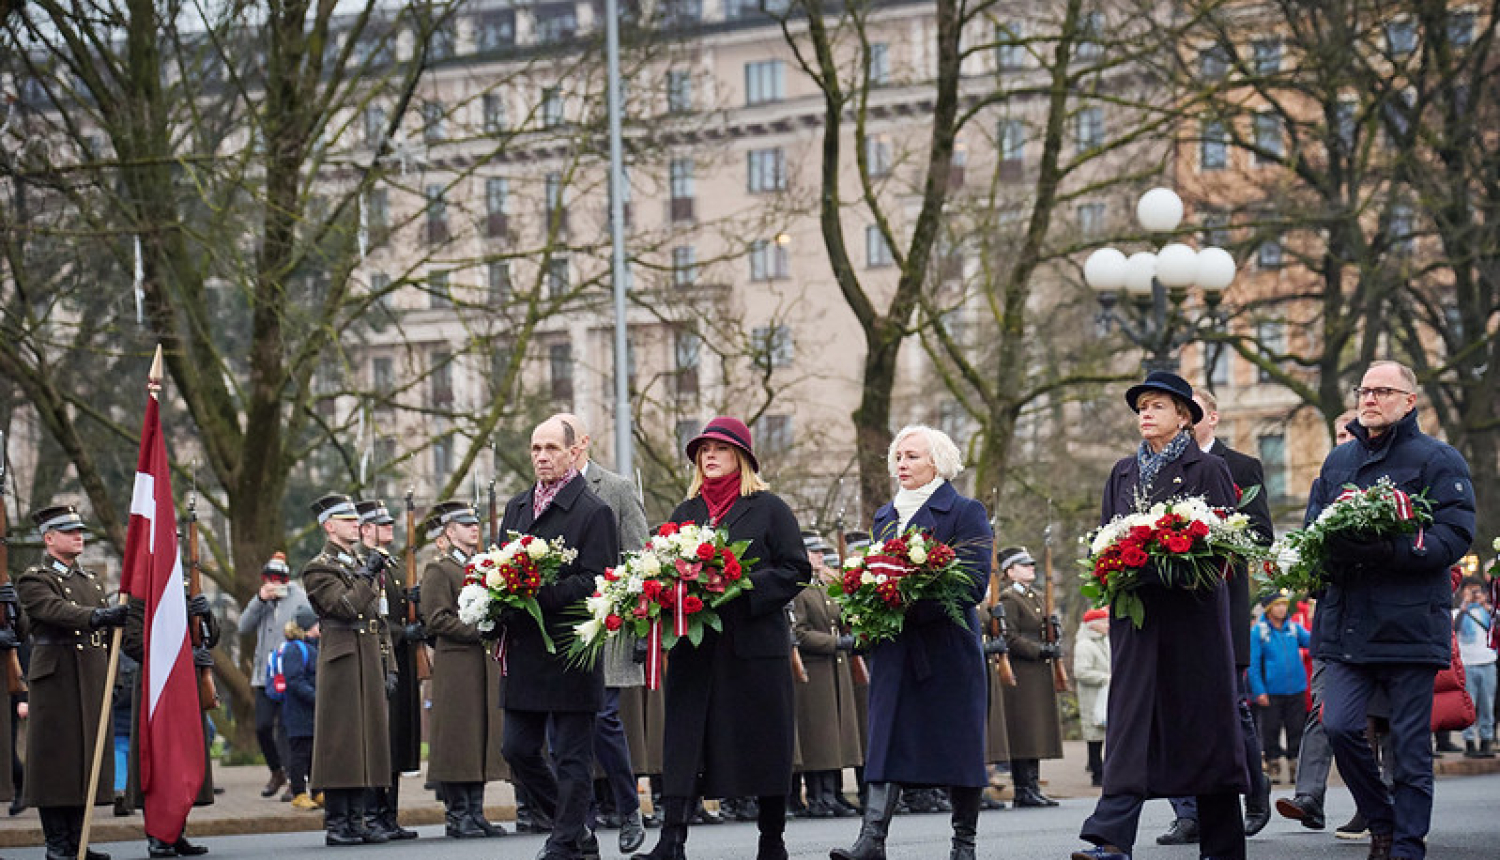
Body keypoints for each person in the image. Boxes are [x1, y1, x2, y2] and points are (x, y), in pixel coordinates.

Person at [1072, 370, 1247, 860]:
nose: (1145, 414)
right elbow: (1106, 539)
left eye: (1157, 406)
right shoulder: (1122, 472)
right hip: (1138, 622)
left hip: (1192, 623)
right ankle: (1110, 840)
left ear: (1184, 417)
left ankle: (1223, 847)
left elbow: (1220, 552)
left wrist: (1162, 565)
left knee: (1203, 731)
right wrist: (1113, 568)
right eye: (1141, 407)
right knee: (1129, 728)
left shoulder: (1207, 469)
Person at [1306, 360, 1475, 860]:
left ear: (1409, 400)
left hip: (1408, 625)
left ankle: (1405, 844)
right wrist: (1322, 557)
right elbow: (1317, 527)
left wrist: (1392, 549)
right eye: (1364, 390)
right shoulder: (1338, 461)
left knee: (1409, 746)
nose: (1370, 398)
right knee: (1338, 725)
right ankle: (1381, 820)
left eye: (1383, 390)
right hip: (1347, 624)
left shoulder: (1438, 459)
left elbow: (1453, 534)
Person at [633, 416, 806, 860]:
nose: (709, 456)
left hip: (752, 649)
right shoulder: (685, 513)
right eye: (703, 450)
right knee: (684, 743)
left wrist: (741, 587)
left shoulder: (769, 508)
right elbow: (661, 570)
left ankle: (772, 841)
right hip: (696, 650)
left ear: (742, 458)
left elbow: (795, 570)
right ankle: (671, 841)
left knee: (765, 743)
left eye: (720, 449)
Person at [830, 424, 991, 860]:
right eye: (898, 457)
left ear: (937, 461)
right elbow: (874, 579)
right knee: (885, 740)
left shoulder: (965, 511)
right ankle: (871, 841)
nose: (902, 463)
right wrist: (869, 607)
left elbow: (973, 584)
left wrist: (906, 602)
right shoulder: (885, 516)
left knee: (959, 746)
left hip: (948, 650)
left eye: (913, 456)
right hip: (895, 651)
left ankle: (964, 846)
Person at [499, 416, 621, 860]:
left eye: (552, 447)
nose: (542, 456)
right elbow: (500, 567)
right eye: (536, 448)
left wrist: (541, 594)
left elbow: (598, 580)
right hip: (526, 649)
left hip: (571, 648)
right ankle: (578, 830)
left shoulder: (594, 511)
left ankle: (564, 841)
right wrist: (494, 597)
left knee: (571, 756)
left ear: (573, 452)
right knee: (516, 748)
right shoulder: (516, 507)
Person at [1158, 388, 1277, 846]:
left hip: (1221, 600)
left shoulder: (1241, 466)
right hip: (1170, 605)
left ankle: (1255, 786)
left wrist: (1212, 536)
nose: (1184, 421)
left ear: (1211, 417)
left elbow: (1262, 535)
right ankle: (1186, 812)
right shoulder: (1159, 467)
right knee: (1174, 706)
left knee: (1233, 706)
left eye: (1191, 412)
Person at [557, 412, 650, 854]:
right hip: (561, 627)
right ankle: (583, 822)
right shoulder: (541, 497)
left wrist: (630, 616)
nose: (555, 453)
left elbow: (638, 555)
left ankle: (629, 807)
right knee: (566, 730)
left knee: (602, 718)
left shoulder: (615, 489)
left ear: (582, 445)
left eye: (563, 443)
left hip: (608, 622)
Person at [17, 504, 126, 860]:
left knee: (86, 761)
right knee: (56, 762)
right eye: (69, 531)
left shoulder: (89, 580)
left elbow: (108, 633)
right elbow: (53, 611)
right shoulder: (35, 578)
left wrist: (115, 672)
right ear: (49, 539)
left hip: (91, 675)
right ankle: (57, 844)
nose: (79, 536)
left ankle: (79, 841)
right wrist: (98, 615)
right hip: (57, 680)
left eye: (79, 530)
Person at [1277, 408, 1358, 832]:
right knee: (1322, 709)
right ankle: (1310, 797)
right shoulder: (1323, 483)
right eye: (1340, 434)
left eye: (1352, 433)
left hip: (1381, 623)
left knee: (1383, 720)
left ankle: (1379, 803)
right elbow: (1310, 541)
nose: (1346, 440)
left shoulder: (1394, 480)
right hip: (1332, 615)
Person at [301, 493, 393, 847]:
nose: (357, 524)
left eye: (356, 518)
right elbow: (344, 607)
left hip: (366, 654)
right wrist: (367, 576)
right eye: (348, 519)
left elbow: (377, 616)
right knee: (341, 742)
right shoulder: (319, 567)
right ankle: (338, 822)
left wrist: (388, 662)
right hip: (341, 658)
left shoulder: (355, 561)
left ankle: (358, 818)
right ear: (329, 525)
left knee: (365, 740)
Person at [419, 499, 508, 839]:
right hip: (456, 663)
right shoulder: (439, 569)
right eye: (465, 524)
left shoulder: (481, 566)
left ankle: (475, 811)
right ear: (449, 531)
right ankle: (458, 814)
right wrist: (479, 630)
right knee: (458, 738)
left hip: (479, 664)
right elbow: (437, 617)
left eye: (475, 523)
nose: (474, 528)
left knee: (478, 736)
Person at [122, 580, 218, 857]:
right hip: (157, 685)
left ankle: (177, 831)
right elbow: (133, 641)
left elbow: (211, 637)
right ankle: (157, 834)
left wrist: (206, 615)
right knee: (159, 759)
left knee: (184, 757)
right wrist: (179, 658)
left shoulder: (184, 589)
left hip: (187, 683)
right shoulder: (142, 594)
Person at [354, 499, 419, 840]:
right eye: (382, 524)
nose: (390, 528)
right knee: (377, 738)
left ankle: (389, 813)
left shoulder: (392, 567)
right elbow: (367, 616)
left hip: (401, 660)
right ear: (365, 529)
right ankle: (371, 813)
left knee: (396, 738)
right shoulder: (363, 566)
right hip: (374, 659)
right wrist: (399, 633)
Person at [790, 535, 862, 819]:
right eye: (814, 552)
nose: (820, 557)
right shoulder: (798, 589)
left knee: (834, 737)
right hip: (814, 669)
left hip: (834, 667)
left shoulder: (824, 587)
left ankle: (832, 794)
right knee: (818, 737)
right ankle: (819, 796)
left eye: (821, 552)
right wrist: (834, 643)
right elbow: (799, 632)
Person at [236, 551, 311, 801]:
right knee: (263, 726)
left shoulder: (300, 598)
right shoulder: (262, 602)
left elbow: (310, 624)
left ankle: (294, 780)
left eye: (279, 578)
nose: (274, 583)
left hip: (289, 673)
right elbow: (243, 626)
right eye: (270, 578)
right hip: (265, 676)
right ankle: (276, 771)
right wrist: (259, 600)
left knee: (288, 729)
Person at [998, 546, 1063, 808]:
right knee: (1024, 732)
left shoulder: (1035, 596)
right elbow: (1010, 636)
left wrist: (1054, 635)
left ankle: (1032, 786)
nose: (1031, 569)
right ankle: (1023, 789)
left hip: (1037, 672)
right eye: (1024, 565)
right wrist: (1040, 649)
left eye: (1031, 565)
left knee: (1035, 732)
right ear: (1010, 571)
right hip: (1022, 671)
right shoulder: (1009, 598)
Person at [1248, 591, 1311, 785]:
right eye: (1277, 605)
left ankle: (1295, 766)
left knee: (1297, 729)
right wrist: (1259, 690)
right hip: (1271, 692)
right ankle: (1273, 765)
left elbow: (1312, 642)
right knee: (1270, 730)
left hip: (1296, 689)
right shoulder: (1259, 632)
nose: (1282, 608)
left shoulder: (1293, 628)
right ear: (1269, 609)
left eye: (1284, 605)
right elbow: (1253, 664)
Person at [282, 606, 320, 811]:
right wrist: (317, 698)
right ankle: (299, 792)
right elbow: (294, 681)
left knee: (315, 752)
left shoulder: (315, 646)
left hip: (313, 712)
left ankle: (318, 790)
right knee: (300, 754)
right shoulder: (295, 649)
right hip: (300, 712)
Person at [1456, 577, 1495, 757]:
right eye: (1469, 590)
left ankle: (1486, 741)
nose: (1473, 593)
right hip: (1467, 664)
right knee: (1468, 706)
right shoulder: (1457, 612)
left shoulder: (1488, 611)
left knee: (1487, 705)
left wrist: (1487, 607)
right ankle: (1469, 743)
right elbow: (1455, 629)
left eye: (1476, 590)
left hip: (1487, 662)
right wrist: (1465, 608)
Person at [1073, 608, 1111, 787]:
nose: (1107, 625)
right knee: (1094, 736)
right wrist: (1105, 678)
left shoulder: (1105, 642)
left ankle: (1104, 771)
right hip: (1092, 696)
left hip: (1105, 694)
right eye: (1104, 622)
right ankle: (1097, 772)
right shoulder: (1084, 645)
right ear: (1093, 624)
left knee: (1104, 735)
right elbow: (1081, 672)